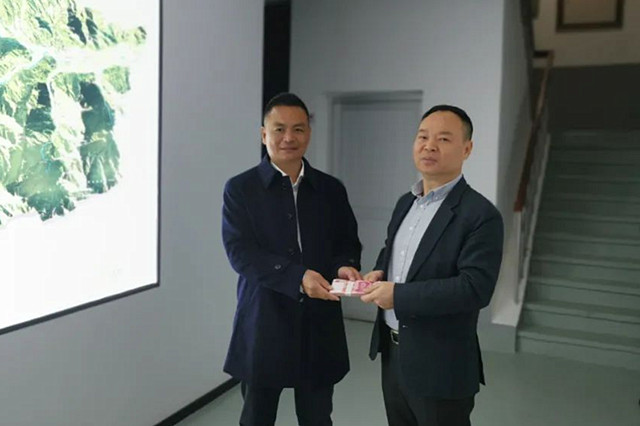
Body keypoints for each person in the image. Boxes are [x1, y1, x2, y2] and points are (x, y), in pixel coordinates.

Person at [221, 92, 362, 426]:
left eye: (298, 129)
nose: (289, 137)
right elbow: (241, 253)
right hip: (264, 318)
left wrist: (345, 265)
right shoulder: (241, 189)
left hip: (319, 320)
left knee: (317, 417)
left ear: (308, 133)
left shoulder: (330, 189)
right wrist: (298, 277)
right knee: (257, 416)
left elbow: (346, 242)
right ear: (263, 134)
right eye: (279, 129)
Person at [360, 105, 504, 426]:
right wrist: (380, 271)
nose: (429, 146)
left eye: (444, 139)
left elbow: (474, 289)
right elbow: (393, 250)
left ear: (467, 149)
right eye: (423, 137)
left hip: (441, 364)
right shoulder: (406, 202)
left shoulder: (480, 215)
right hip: (394, 354)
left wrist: (397, 295)